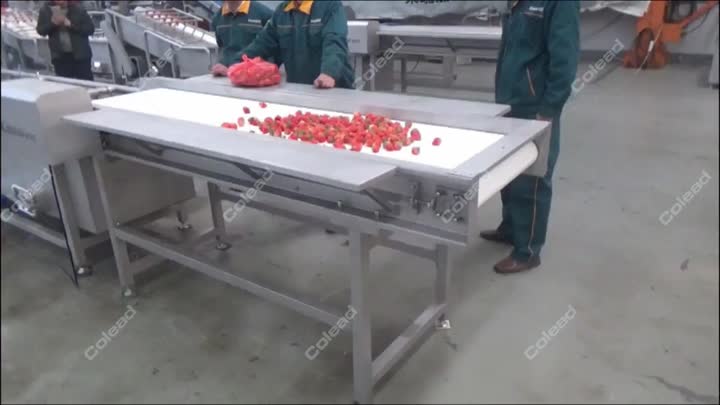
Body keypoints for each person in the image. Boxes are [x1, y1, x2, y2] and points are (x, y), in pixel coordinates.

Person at [481, 0, 579, 274]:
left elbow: (565, 60)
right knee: (508, 171)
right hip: (509, 101)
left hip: (535, 106)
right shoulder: (517, 3)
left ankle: (528, 251)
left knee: (532, 177)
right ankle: (511, 228)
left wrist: (549, 109)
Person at [238, 0, 354, 89]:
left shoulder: (330, 5)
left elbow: (334, 40)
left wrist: (329, 73)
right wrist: (234, 65)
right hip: (300, 90)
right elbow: (261, 44)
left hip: (333, 89)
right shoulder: (282, 12)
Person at [210, 0, 273, 76]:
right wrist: (222, 64)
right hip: (225, 75)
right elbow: (222, 46)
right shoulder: (217, 18)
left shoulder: (264, 14)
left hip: (255, 76)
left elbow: (272, 49)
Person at [36, 0, 95, 81]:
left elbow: (90, 29)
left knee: (86, 83)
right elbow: (41, 31)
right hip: (60, 57)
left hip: (81, 55)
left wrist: (71, 25)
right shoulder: (46, 10)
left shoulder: (78, 9)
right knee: (65, 85)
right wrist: (52, 24)